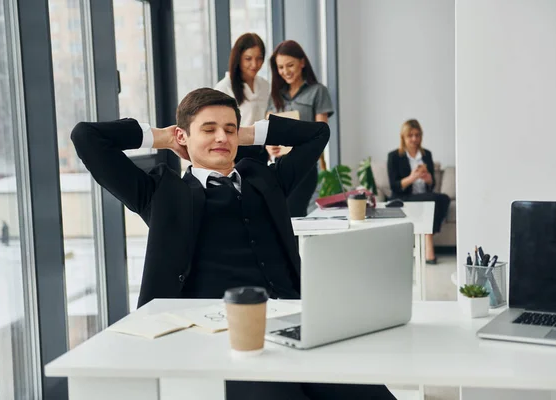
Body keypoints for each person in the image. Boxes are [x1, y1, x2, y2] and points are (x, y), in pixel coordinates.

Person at [71, 88, 394, 400]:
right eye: (208, 129)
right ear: (184, 136)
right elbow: (86, 137)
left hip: (291, 320)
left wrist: (247, 133)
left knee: (369, 392)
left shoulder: (267, 179)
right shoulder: (160, 191)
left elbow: (317, 133)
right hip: (216, 335)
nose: (222, 138)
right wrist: (164, 137)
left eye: (229, 129)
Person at [267, 40, 334, 217]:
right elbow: (267, 129)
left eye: (290, 65)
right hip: (279, 166)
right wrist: (269, 146)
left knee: (293, 213)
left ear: (302, 62)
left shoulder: (318, 91)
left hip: (305, 166)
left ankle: (297, 246)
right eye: (280, 67)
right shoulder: (274, 96)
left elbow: (322, 132)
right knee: (280, 216)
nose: (285, 71)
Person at [387, 119, 451, 264]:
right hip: (404, 197)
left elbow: (432, 185)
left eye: (417, 135)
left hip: (424, 196)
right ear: (403, 137)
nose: (415, 139)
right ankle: (428, 243)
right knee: (431, 201)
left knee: (443, 198)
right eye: (410, 135)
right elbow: (394, 186)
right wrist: (411, 178)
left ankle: (427, 233)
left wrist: (428, 179)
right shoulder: (394, 156)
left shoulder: (426, 155)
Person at [215, 32, 270, 164]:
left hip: (261, 151)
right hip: (236, 152)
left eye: (259, 58)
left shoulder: (265, 85)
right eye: (248, 59)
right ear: (238, 58)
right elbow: (219, 127)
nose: (254, 64)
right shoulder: (224, 88)